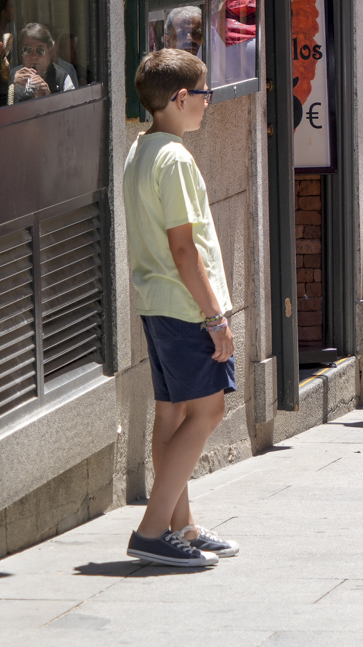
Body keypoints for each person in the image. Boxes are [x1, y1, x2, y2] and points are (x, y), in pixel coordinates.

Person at [123, 48, 239, 567]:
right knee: (208, 411)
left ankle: (180, 526)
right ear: (181, 97)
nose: (208, 103)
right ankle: (152, 531)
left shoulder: (142, 148)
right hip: (184, 305)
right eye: (204, 94)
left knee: (171, 413)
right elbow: (184, 250)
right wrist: (215, 317)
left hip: (159, 302)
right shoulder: (173, 158)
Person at [9, 23, 78, 103]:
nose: (33, 57)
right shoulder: (11, 76)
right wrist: (13, 88)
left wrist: (48, 98)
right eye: (27, 50)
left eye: (40, 50)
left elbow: (71, 108)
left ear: (50, 51)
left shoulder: (62, 78)